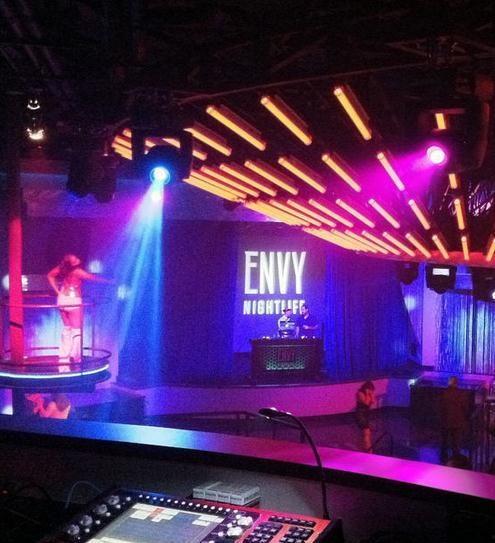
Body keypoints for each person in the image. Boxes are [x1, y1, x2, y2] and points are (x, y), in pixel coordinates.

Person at [47, 254, 111, 365]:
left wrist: (57, 291)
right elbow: (94, 278)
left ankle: (64, 356)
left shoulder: (61, 268)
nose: (77, 259)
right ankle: (76, 357)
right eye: (75, 259)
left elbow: (50, 276)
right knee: (76, 330)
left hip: (62, 299)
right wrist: (111, 282)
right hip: (73, 300)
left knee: (67, 328)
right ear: (72, 264)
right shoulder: (78, 272)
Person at [439, 376, 470, 463]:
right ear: (457, 383)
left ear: (449, 382)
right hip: (458, 421)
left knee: (444, 441)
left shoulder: (444, 393)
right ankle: (456, 461)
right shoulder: (462, 393)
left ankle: (443, 460)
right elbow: (465, 408)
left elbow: (440, 407)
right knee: (456, 442)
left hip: (445, 420)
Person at [356, 380, 375, 452]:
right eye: (370, 389)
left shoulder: (370, 393)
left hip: (366, 415)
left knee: (367, 433)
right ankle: (369, 450)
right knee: (366, 432)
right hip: (360, 415)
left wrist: (371, 394)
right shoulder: (359, 393)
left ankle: (365, 448)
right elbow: (366, 403)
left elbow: (372, 401)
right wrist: (367, 394)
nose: (371, 391)